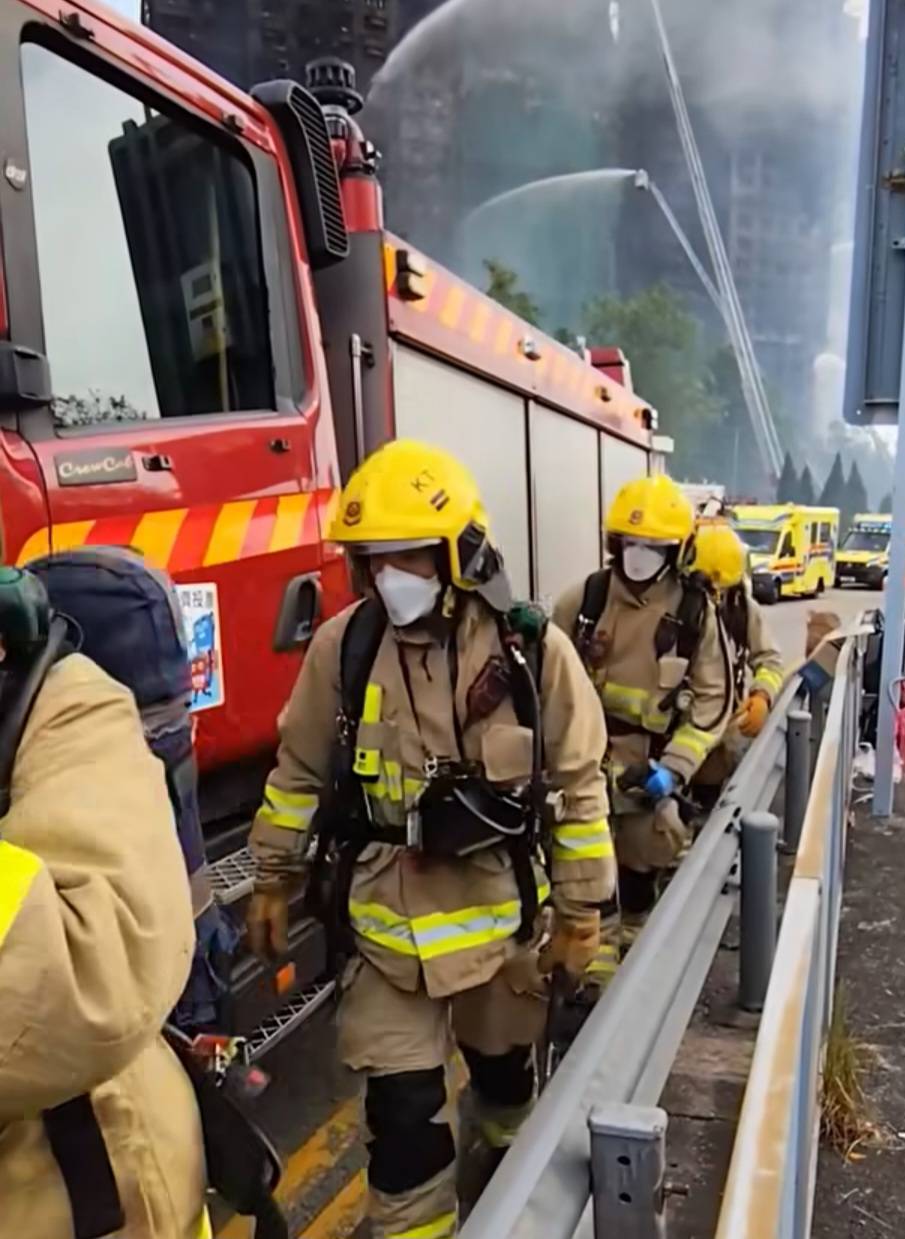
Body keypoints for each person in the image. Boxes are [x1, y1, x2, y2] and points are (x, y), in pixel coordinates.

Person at [246, 440, 615, 1239]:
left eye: (407, 555)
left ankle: (515, 1185)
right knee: (404, 1119)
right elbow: (298, 772)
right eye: (373, 559)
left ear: (460, 553)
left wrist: (581, 913)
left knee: (507, 1088)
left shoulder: (529, 652)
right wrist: (273, 877)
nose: (389, 576)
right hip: (383, 937)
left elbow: (579, 788)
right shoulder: (344, 649)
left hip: (500, 931)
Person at [0, 566, 208, 1239]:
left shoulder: (60, 704)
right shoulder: (351, 651)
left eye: (406, 558)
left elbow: (95, 971)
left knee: (415, 1122)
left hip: (94, 1195)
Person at [553, 475, 735, 949]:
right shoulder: (584, 601)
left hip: (647, 773)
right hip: (584, 771)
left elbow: (713, 700)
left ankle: (634, 952)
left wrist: (673, 769)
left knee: (642, 867)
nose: (639, 556)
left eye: (653, 547)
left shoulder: (694, 613)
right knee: (582, 880)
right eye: (630, 543)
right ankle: (592, 967)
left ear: (677, 551)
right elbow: (545, 686)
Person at [685, 520, 783, 806]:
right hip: (675, 726)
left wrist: (762, 695)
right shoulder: (674, 607)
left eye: (720, 591)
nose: (714, 599)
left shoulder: (741, 608)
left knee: (708, 805)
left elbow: (769, 658)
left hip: (720, 735)